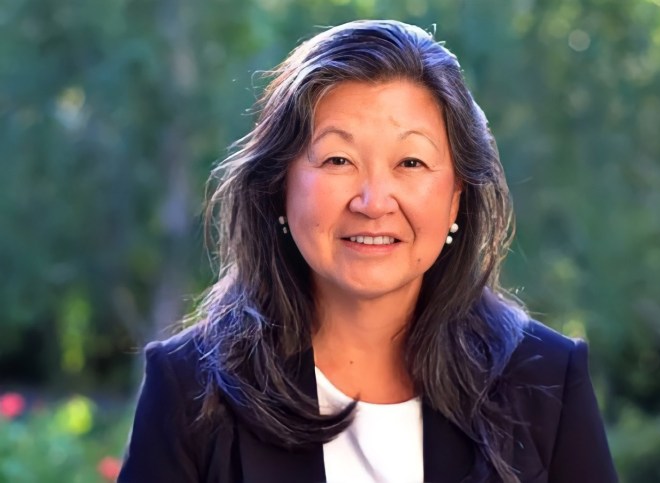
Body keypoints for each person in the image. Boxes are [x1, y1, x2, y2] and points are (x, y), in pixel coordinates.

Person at [118, 20, 617, 483]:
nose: (374, 202)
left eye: (411, 162)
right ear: (279, 186)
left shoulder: (546, 380)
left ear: (456, 196)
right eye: (338, 158)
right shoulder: (190, 389)